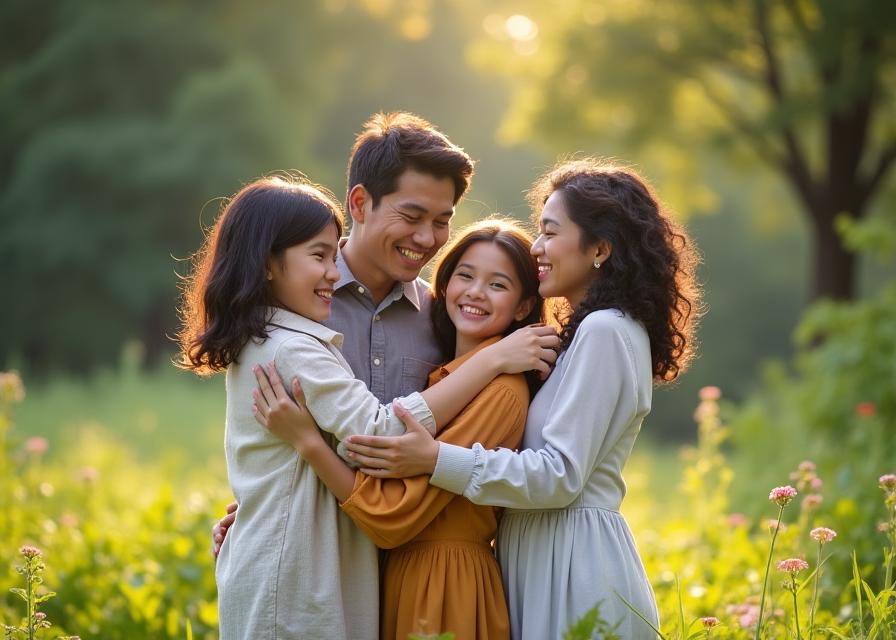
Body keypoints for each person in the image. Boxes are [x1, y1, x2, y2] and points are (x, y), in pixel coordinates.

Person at [343, 159, 703, 639]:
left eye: (551, 233)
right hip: (542, 558)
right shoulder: (577, 336)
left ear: (599, 247)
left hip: (576, 566)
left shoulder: (605, 330)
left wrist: (434, 459)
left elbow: (560, 475)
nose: (537, 247)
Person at [253, 220, 544, 640]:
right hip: (400, 573)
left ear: (522, 307)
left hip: (444, 584)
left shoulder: (500, 391)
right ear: (444, 286)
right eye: (465, 275)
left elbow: (389, 514)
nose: (476, 292)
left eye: (497, 285)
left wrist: (306, 442)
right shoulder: (447, 378)